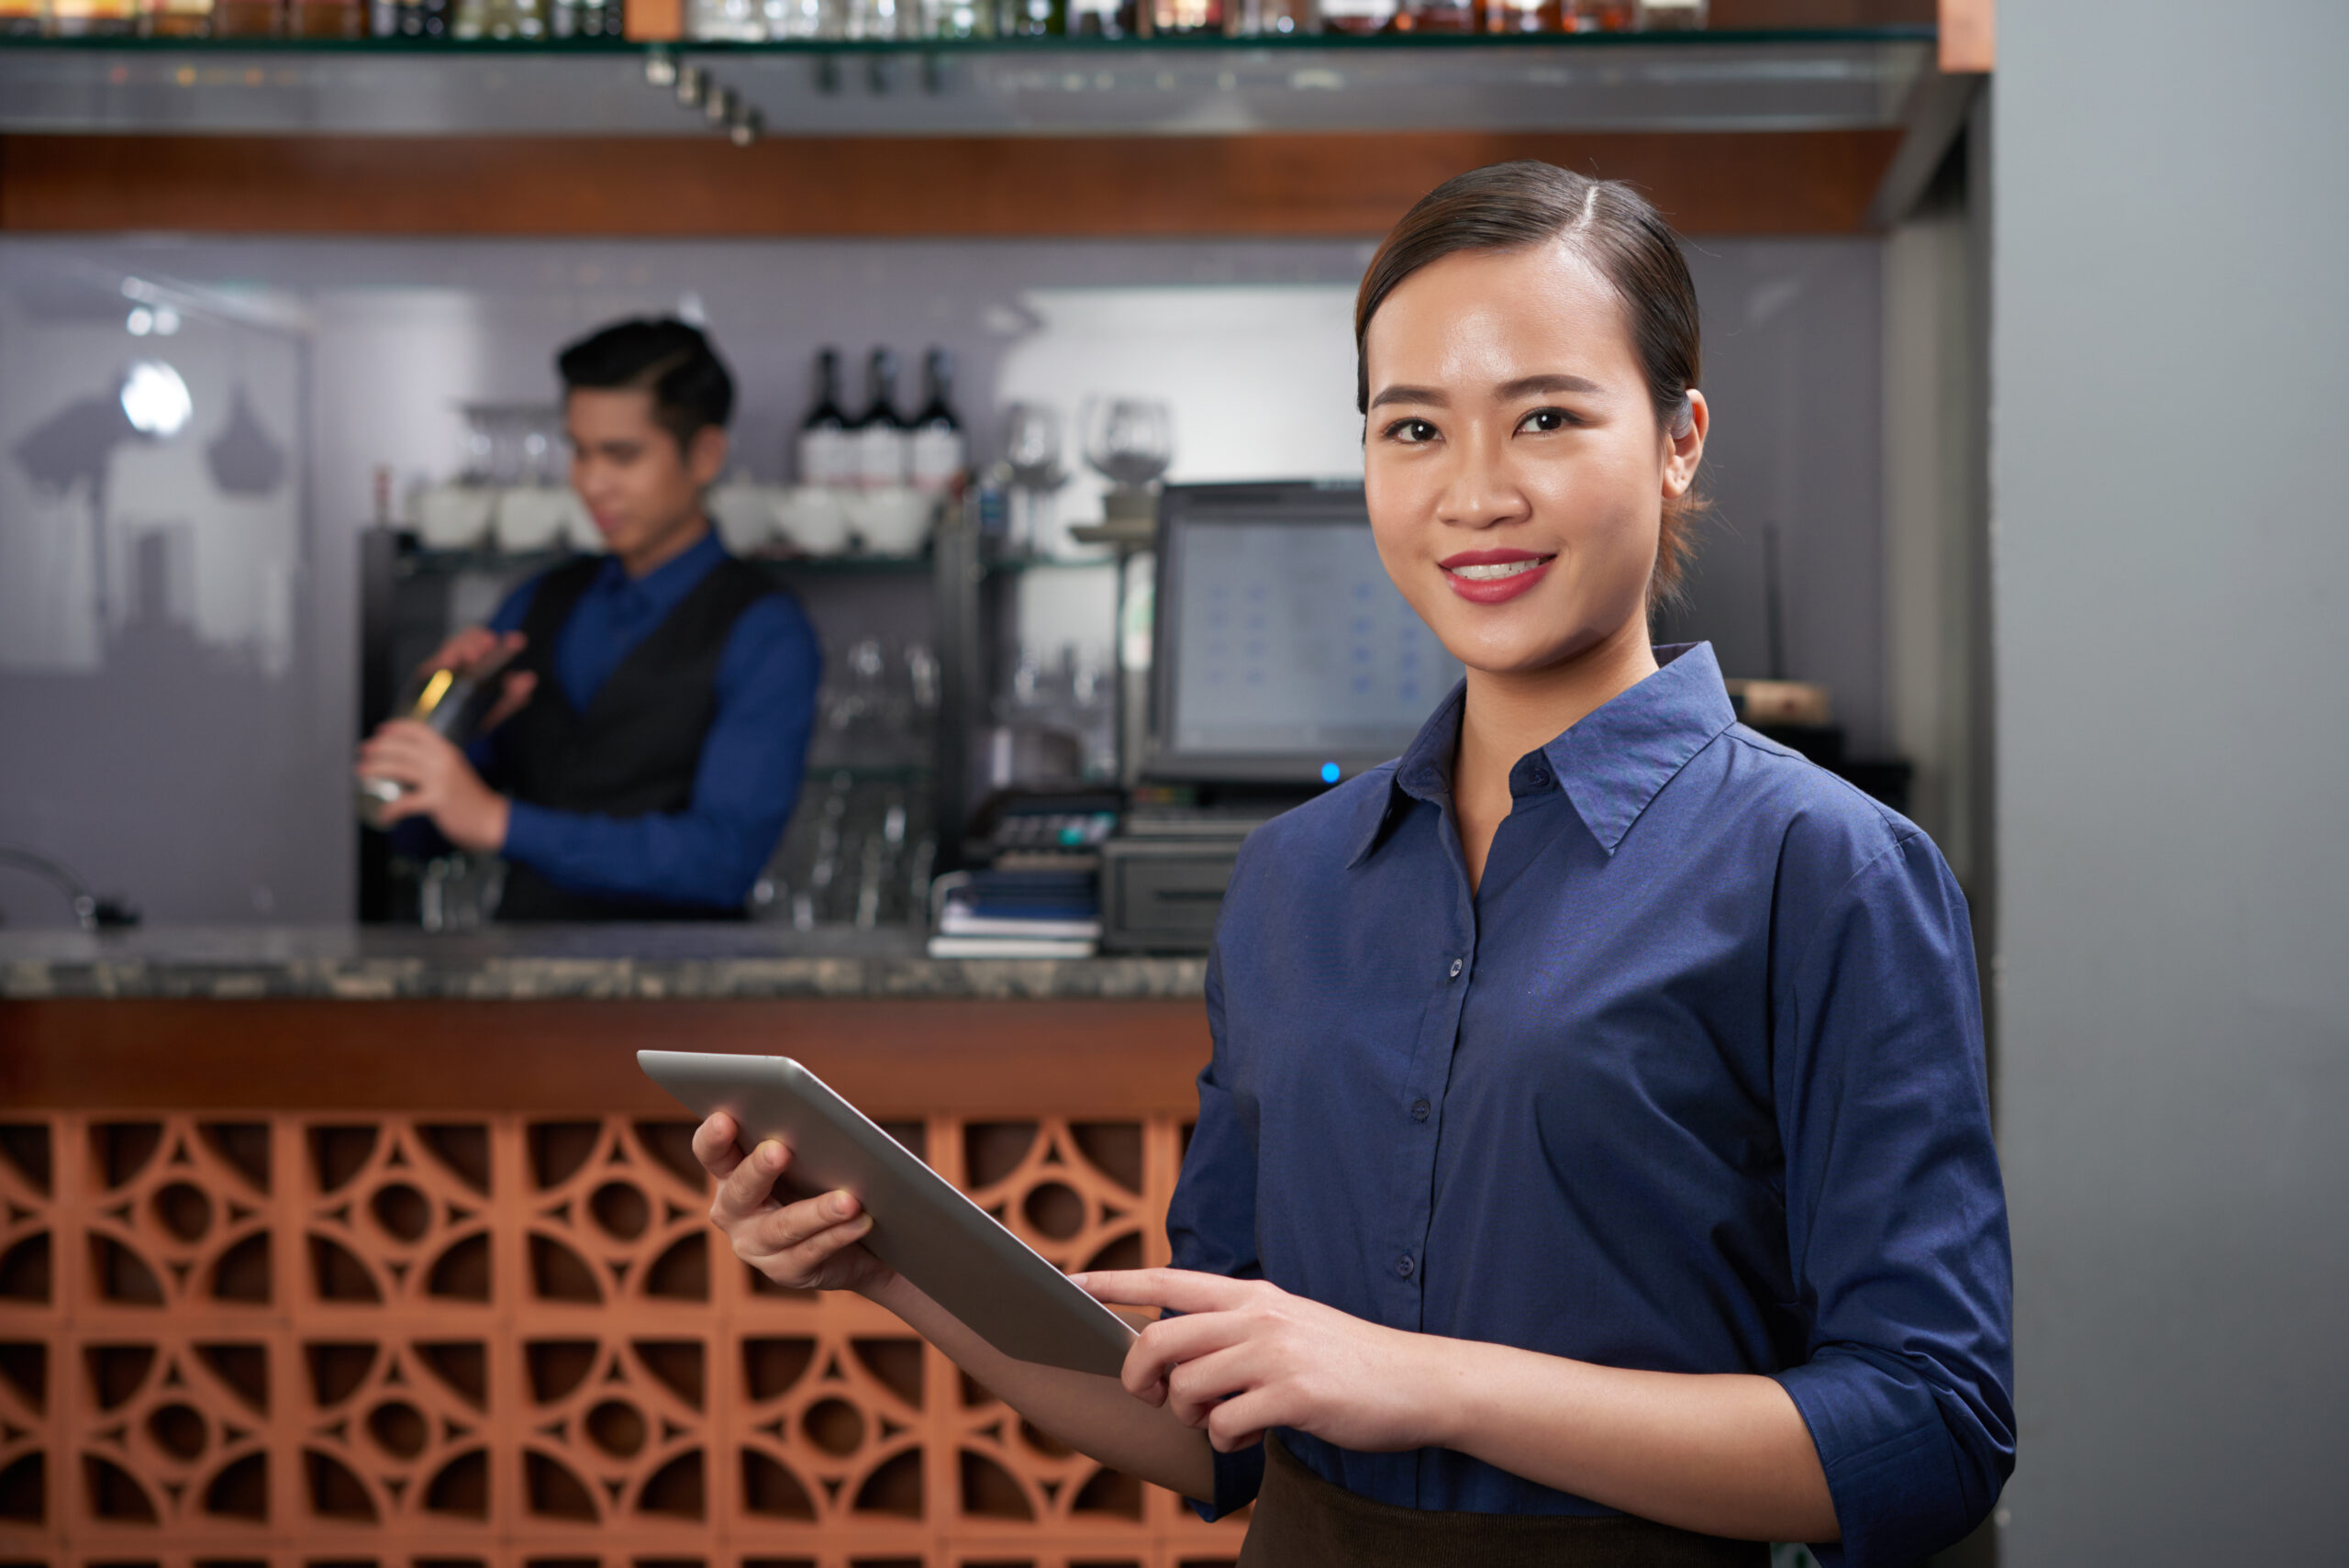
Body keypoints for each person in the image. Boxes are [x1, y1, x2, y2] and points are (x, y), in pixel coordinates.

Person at [687, 162, 2013, 1566]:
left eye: (1548, 417)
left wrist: (1416, 1378)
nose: (1476, 493)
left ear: (1680, 438)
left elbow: (1931, 1431)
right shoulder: (1291, 878)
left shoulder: (1829, 866)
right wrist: (889, 1263)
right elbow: (1214, 1427)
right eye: (1415, 428)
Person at [359, 317, 822, 921]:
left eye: (621, 455)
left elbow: (721, 861)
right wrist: (441, 718)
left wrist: (503, 822)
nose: (591, 482)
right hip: (526, 985)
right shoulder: (539, 601)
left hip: (686, 995)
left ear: (705, 454)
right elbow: (414, 838)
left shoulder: (766, 630)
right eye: (578, 451)